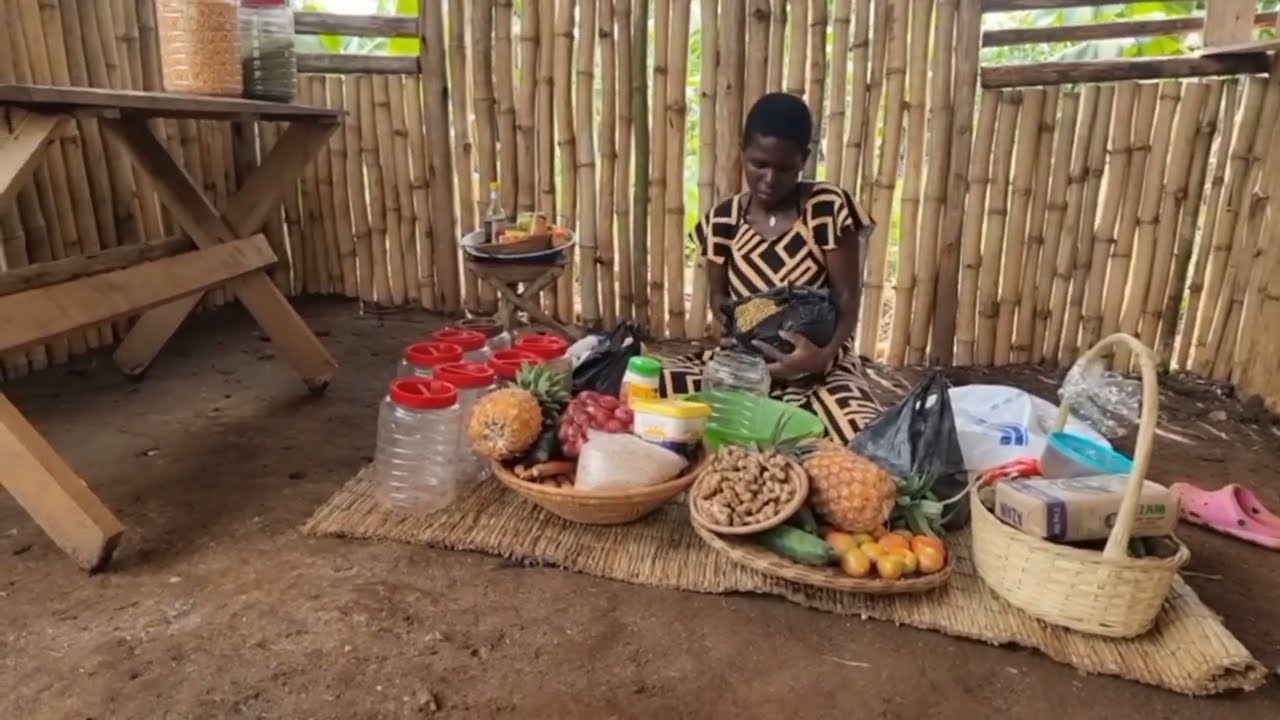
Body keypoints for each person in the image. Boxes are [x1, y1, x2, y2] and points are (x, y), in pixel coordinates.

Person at [660, 92, 880, 444]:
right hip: (743, 364)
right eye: (758, 164)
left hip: (820, 366)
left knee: (862, 435)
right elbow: (719, 295)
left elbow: (847, 296)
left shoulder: (827, 208)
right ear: (742, 151)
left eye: (784, 168)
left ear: (804, 160)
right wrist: (733, 323)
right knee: (651, 395)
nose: (769, 179)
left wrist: (821, 357)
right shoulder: (723, 220)